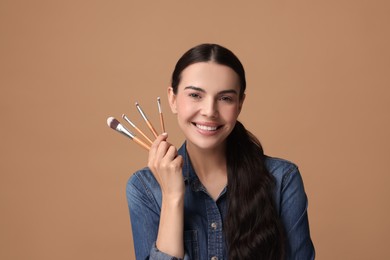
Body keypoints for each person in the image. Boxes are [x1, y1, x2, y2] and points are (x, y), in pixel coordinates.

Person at [126, 43, 315, 260]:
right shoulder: (144, 188)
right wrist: (172, 197)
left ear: (240, 104)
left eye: (225, 98)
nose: (209, 111)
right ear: (173, 99)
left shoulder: (283, 180)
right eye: (196, 95)